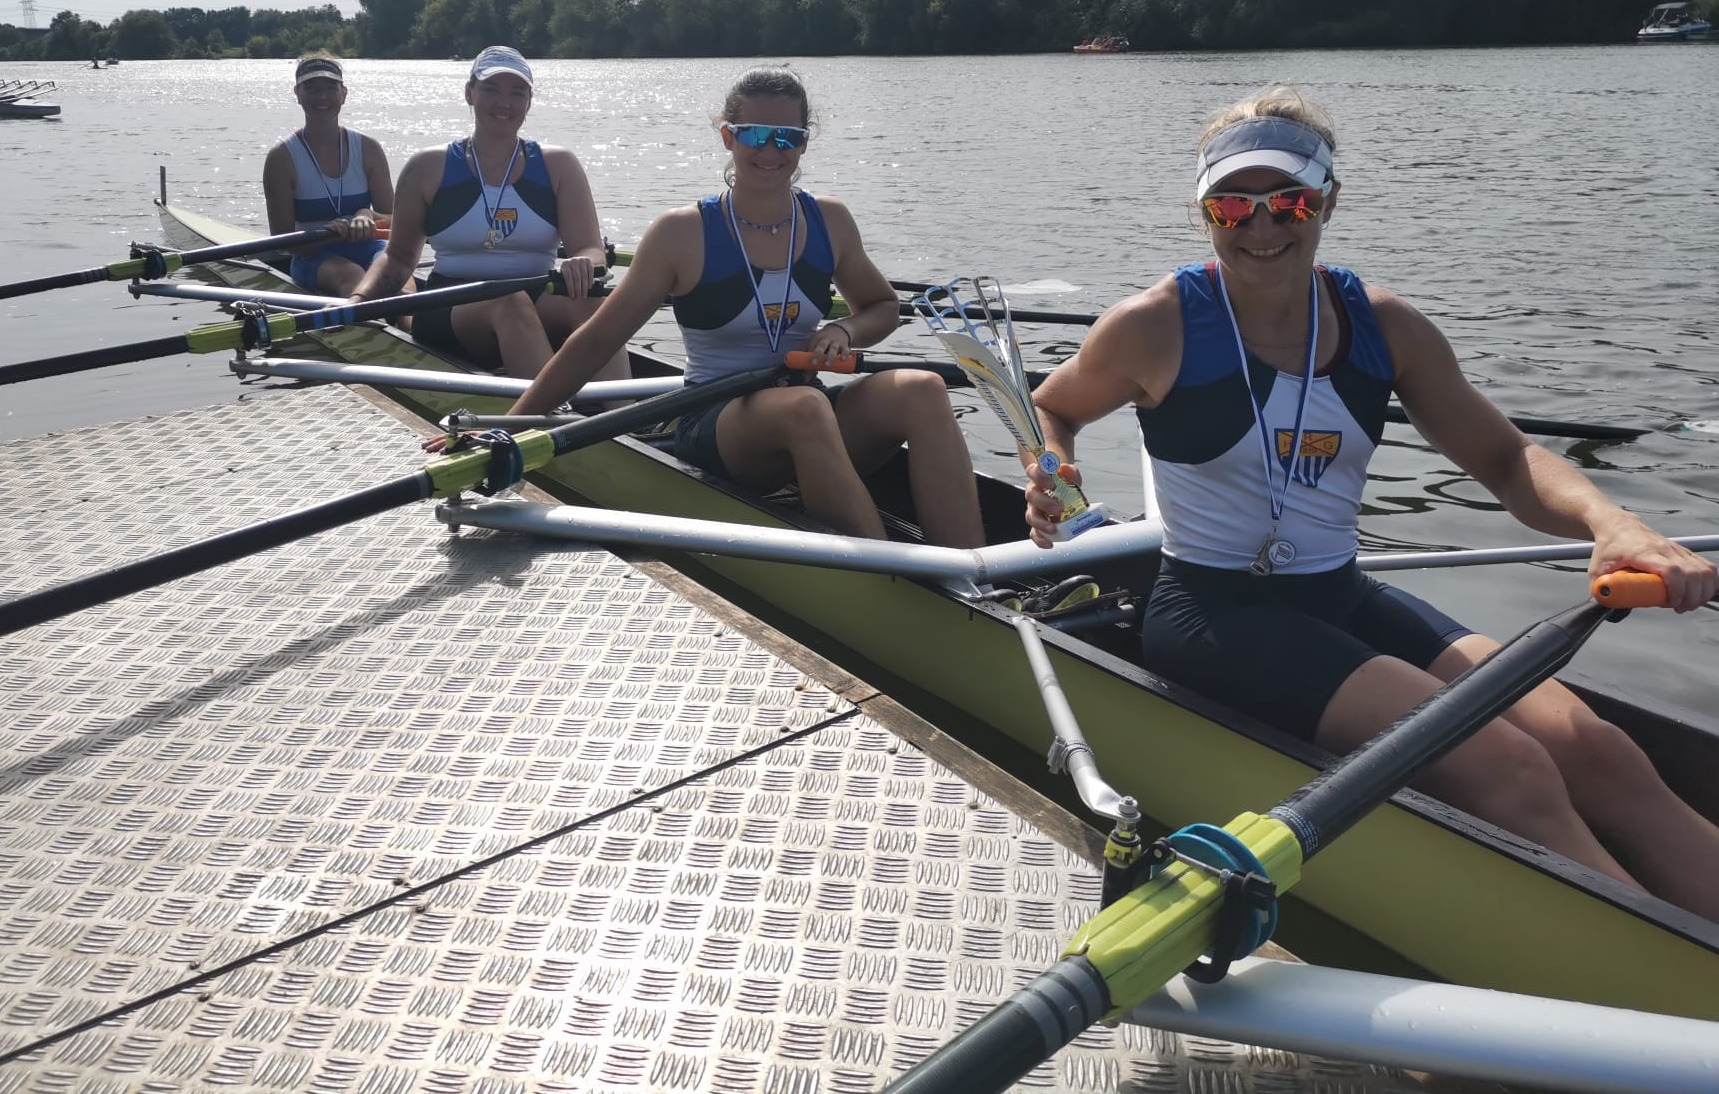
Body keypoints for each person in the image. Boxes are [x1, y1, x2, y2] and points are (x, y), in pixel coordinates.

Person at [1023, 85, 1719, 921]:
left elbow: (1506, 457)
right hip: (1212, 610)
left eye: (1289, 202)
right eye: (1232, 206)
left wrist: (1615, 523)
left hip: (1339, 592)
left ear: (1328, 202)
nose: (1263, 227)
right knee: (1513, 768)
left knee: (1597, 749)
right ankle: (1672, 988)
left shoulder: (1384, 327)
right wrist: (1053, 473)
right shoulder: (1155, 325)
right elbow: (1053, 407)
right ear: (1203, 211)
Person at [510, 67, 985, 548]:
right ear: (727, 137)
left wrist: (844, 331)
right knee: (805, 406)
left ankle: (976, 579)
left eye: (787, 138)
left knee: (923, 388)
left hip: (807, 407)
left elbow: (882, 307)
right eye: (755, 135)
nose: (771, 151)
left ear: (804, 143)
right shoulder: (682, 233)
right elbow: (597, 341)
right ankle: (894, 583)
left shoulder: (831, 221)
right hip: (715, 426)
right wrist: (514, 428)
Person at [349, 46, 626, 380]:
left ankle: (629, 416)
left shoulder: (559, 165)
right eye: (491, 89)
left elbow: (591, 249)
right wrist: (357, 301)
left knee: (597, 305)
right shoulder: (427, 167)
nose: (504, 103)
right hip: (448, 304)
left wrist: (585, 263)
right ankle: (550, 420)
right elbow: (397, 260)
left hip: (535, 295)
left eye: (517, 93)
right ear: (470, 93)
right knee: (510, 302)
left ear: (529, 102)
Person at [260, 52, 398, 298]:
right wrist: (326, 235)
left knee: (398, 273)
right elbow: (281, 243)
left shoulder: (368, 149)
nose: (321, 96)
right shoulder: (281, 158)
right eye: (311, 88)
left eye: (330, 88)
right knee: (352, 275)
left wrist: (367, 214)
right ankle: (374, 327)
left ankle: (409, 327)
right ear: (297, 94)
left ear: (343, 94)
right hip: (312, 257)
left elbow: (394, 219)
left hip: (369, 246)